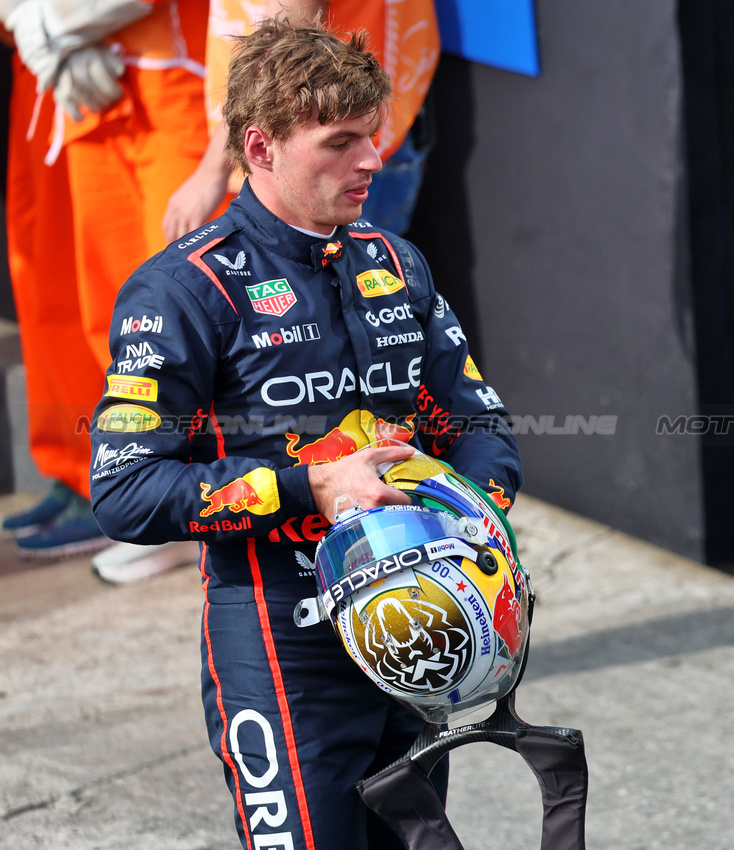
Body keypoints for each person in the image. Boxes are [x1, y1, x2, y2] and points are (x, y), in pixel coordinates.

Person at [88, 15, 520, 847]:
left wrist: (473, 513)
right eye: (340, 142)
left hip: (417, 625)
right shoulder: (181, 291)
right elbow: (126, 490)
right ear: (260, 147)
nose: (371, 161)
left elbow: (477, 423)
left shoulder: (394, 263)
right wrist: (311, 485)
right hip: (281, 639)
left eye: (372, 136)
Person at [0, 0, 208, 581]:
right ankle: (109, 478)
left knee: (185, 304)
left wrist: (66, 18)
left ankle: (198, 501)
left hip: (178, 65)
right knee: (103, 308)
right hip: (77, 71)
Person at [162, 0, 439, 241]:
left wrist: (212, 171)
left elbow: (284, 54)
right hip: (368, 133)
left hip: (330, 152)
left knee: (328, 290)